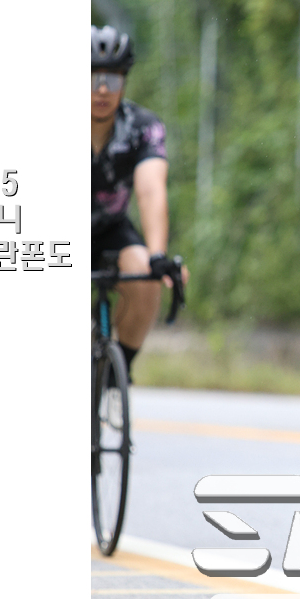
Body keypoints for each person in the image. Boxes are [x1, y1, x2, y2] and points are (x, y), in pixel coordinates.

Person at [91, 25, 184, 382]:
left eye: (112, 80)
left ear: (124, 83)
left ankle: (116, 373)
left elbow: (150, 190)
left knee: (146, 274)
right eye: (94, 79)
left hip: (112, 228)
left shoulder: (142, 128)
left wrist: (158, 255)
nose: (102, 89)